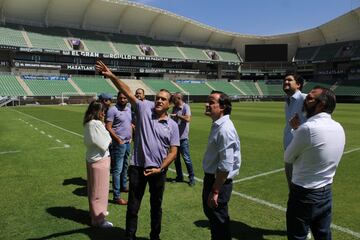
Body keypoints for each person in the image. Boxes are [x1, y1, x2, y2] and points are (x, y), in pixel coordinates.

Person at [95, 60, 180, 240]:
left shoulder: (172, 125)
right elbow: (126, 90)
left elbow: (173, 151)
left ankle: (154, 236)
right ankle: (129, 236)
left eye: (163, 99)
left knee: (156, 207)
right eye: (157, 97)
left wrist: (161, 167)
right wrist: (112, 76)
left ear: (169, 104)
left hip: (158, 170)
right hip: (138, 168)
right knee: (133, 206)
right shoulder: (144, 108)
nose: (158, 100)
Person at [285, 86, 345, 240]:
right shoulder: (339, 127)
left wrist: (296, 130)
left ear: (322, 104)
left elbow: (288, 157)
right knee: (323, 235)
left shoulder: (308, 128)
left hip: (303, 193)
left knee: (297, 236)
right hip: (325, 192)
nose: (305, 101)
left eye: (310, 98)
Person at [202, 90, 241, 240]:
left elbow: (225, 165)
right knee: (215, 221)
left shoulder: (225, 130)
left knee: (219, 223)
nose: (207, 104)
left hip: (218, 182)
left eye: (211, 102)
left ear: (222, 107)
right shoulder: (218, 125)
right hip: (214, 180)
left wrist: (216, 190)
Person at [83, 100, 113, 228]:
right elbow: (105, 142)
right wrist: (108, 135)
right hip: (99, 160)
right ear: (98, 112)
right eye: (103, 111)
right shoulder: (95, 124)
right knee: (100, 191)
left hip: (92, 158)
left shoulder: (88, 123)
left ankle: (94, 214)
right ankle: (98, 219)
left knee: (93, 189)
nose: (104, 114)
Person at [106, 92, 132, 205]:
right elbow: (108, 126)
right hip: (118, 143)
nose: (122, 100)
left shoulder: (128, 109)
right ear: (117, 98)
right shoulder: (113, 110)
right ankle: (116, 196)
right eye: (120, 98)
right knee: (117, 169)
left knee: (125, 165)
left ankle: (123, 186)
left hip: (127, 142)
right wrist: (118, 139)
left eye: (125, 98)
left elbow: (129, 123)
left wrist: (130, 137)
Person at [282, 73, 307, 189]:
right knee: (292, 189)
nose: (286, 82)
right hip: (289, 151)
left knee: (301, 190)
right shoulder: (287, 102)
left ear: (298, 85)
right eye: (284, 80)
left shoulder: (305, 99)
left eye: (289, 80)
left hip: (302, 154)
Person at [170, 92, 195, 186]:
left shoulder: (186, 107)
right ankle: (179, 176)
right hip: (175, 138)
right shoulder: (174, 108)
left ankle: (191, 178)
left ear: (179, 98)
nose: (173, 100)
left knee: (187, 159)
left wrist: (177, 116)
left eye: (174, 99)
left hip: (183, 138)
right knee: (176, 159)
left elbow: (188, 119)